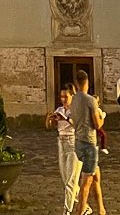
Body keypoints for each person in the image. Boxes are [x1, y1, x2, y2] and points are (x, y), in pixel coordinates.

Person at [69, 71, 105, 215]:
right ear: (87, 82)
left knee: (95, 176)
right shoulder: (91, 100)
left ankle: (101, 209)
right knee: (86, 182)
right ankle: (81, 211)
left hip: (78, 141)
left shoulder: (73, 100)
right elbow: (97, 125)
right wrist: (102, 118)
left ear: (76, 83)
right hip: (89, 142)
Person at [46, 86, 81, 215]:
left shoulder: (76, 110)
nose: (63, 100)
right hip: (61, 142)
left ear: (72, 96)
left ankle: (67, 210)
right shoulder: (60, 109)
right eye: (61, 97)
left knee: (71, 179)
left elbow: (78, 125)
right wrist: (52, 119)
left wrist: (66, 119)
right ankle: (84, 205)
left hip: (73, 142)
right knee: (65, 177)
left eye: (66, 97)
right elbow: (50, 126)